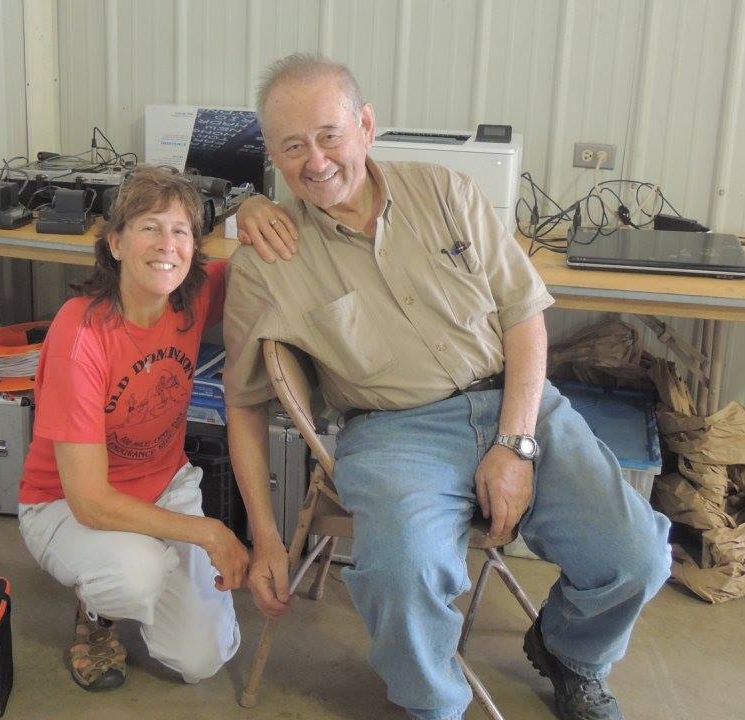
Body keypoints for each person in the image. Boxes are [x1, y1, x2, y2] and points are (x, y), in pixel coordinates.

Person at [223, 55, 673, 720]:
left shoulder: (447, 192)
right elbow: (243, 405)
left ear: (367, 125)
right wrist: (264, 538)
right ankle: (433, 705)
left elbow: (524, 316)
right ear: (272, 155)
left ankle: (572, 652)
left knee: (637, 557)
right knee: (401, 575)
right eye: (293, 146)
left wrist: (516, 444)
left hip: (516, 403)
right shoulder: (265, 260)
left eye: (329, 135)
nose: (315, 162)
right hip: (392, 433)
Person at [18, 166, 289, 692]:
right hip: (65, 505)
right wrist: (210, 533)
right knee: (134, 573)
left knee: (200, 660)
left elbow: (255, 246)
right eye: (149, 227)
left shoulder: (190, 299)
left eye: (181, 230)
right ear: (116, 243)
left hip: (165, 488)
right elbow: (91, 502)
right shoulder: (82, 333)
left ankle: (148, 577)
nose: (167, 244)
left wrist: (250, 206)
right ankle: (98, 612)